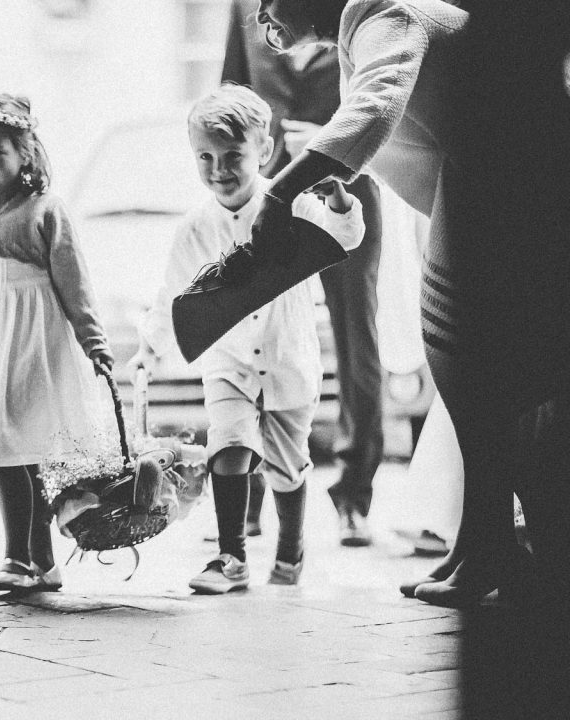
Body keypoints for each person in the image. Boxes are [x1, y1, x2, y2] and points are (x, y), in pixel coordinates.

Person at [249, 0, 570, 608]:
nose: (264, 23)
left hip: (506, 181)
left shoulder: (385, 16)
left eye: (268, 7)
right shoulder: (366, 24)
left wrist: (279, 194)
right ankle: (483, 543)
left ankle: (500, 549)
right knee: (471, 382)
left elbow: (375, 106)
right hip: (483, 179)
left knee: (473, 378)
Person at [135, 84, 365, 594]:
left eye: (232, 155)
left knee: (287, 465)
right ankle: (230, 555)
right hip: (228, 360)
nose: (219, 168)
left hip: (288, 359)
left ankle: (291, 549)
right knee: (229, 445)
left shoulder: (294, 207)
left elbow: (346, 238)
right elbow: (172, 293)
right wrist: (151, 345)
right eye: (205, 157)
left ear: (263, 149)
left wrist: (340, 199)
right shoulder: (195, 228)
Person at [222, 0, 385, 547]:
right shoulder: (247, 8)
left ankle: (354, 496)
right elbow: (231, 92)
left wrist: (322, 142)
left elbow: (381, 102)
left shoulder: (357, 9)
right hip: (265, 193)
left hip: (347, 184)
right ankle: (249, 498)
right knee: (251, 333)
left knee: (356, 339)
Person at [0, 93, 114, 593]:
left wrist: (93, 341)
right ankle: (24, 556)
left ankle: (32, 557)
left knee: (35, 448)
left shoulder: (46, 211)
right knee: (1, 447)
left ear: (25, 153)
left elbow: (75, 284)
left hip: (40, 344)